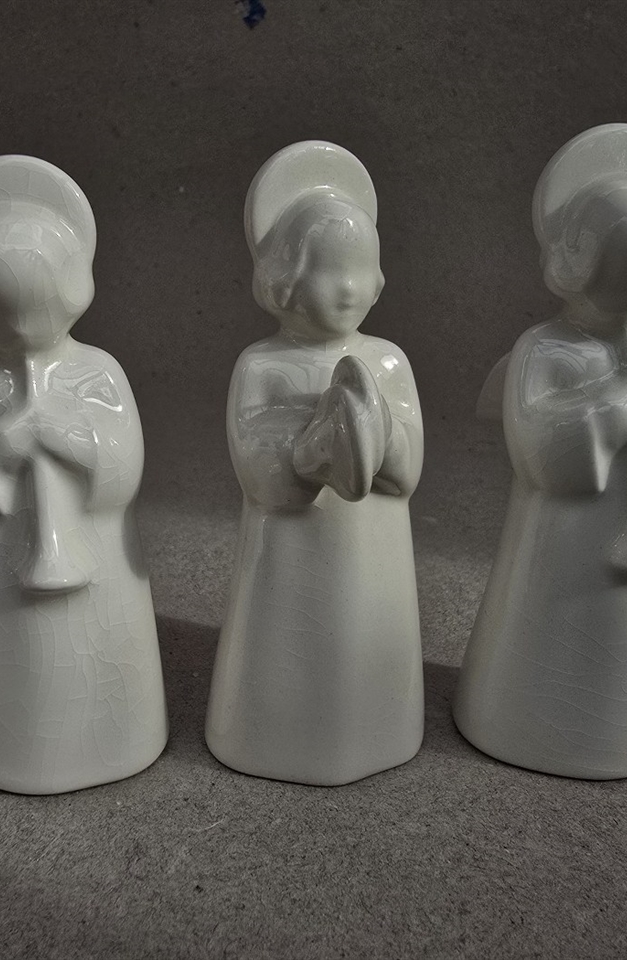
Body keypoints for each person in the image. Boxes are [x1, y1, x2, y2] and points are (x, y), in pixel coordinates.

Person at [454, 125, 627, 779]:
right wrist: (614, 409)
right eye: (623, 285)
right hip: (566, 539)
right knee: (553, 628)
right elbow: (536, 456)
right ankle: (523, 722)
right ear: (574, 269)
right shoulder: (544, 348)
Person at [0, 156, 167, 794]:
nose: (20, 331)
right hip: (4, 561)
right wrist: (1, 443)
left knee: (100, 656)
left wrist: (67, 435)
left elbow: (123, 471)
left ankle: (120, 735)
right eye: (2, 315)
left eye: (34, 311)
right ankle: (5, 747)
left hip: (97, 556)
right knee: (19, 662)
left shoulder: (98, 370)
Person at [206, 142, 425, 785]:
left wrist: (380, 436)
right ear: (285, 279)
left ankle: (381, 729)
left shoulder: (388, 360)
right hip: (292, 550)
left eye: (362, 270)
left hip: (372, 545)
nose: (350, 288)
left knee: (367, 629)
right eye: (331, 272)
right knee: (289, 639)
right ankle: (270, 732)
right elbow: (256, 468)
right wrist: (310, 448)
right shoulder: (262, 365)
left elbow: (408, 468)